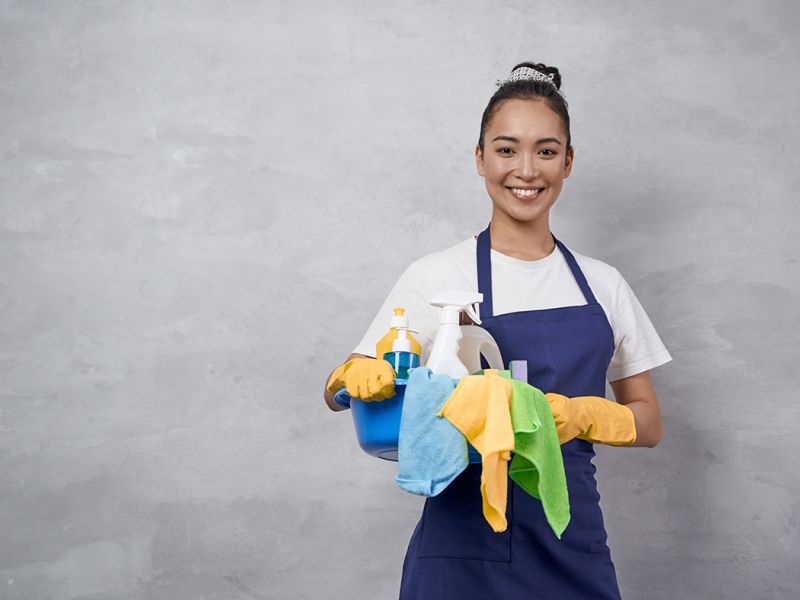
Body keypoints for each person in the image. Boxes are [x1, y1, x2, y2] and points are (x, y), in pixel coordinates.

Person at [323, 62, 672, 600]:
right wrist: (351, 376)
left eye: (546, 151)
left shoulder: (605, 285)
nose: (526, 170)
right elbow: (342, 391)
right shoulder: (437, 275)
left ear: (568, 161)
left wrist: (586, 415)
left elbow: (649, 422)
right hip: (462, 547)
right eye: (507, 149)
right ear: (480, 158)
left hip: (571, 541)